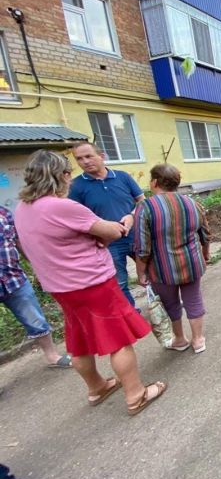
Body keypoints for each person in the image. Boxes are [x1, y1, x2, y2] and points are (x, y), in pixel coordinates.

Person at [13, 150, 166, 415]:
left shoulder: (22, 208)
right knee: (118, 339)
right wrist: (123, 223)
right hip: (91, 282)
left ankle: (97, 387)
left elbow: (28, 246)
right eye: (68, 172)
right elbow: (111, 231)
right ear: (61, 175)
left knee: (79, 340)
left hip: (60, 287)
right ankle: (136, 395)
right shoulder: (61, 205)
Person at [134, 164, 211, 354]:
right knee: (193, 299)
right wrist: (205, 253)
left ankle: (179, 339)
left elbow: (142, 246)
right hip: (192, 263)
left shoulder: (146, 207)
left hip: (162, 268)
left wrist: (140, 272)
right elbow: (205, 234)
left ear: (154, 182)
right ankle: (198, 340)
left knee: (170, 303)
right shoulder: (193, 203)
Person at [69, 142, 144, 307]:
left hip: (136, 235)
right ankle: (131, 315)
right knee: (120, 282)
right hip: (108, 242)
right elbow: (75, 216)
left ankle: (162, 305)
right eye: (79, 159)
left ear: (101, 156)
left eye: (89, 156)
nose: (85, 162)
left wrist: (132, 216)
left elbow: (142, 202)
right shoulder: (75, 186)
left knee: (150, 273)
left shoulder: (122, 177)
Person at [0, 206, 71, 368]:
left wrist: (37, 266)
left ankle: (52, 356)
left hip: (14, 279)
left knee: (36, 319)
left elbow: (18, 241)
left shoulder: (3, 213)